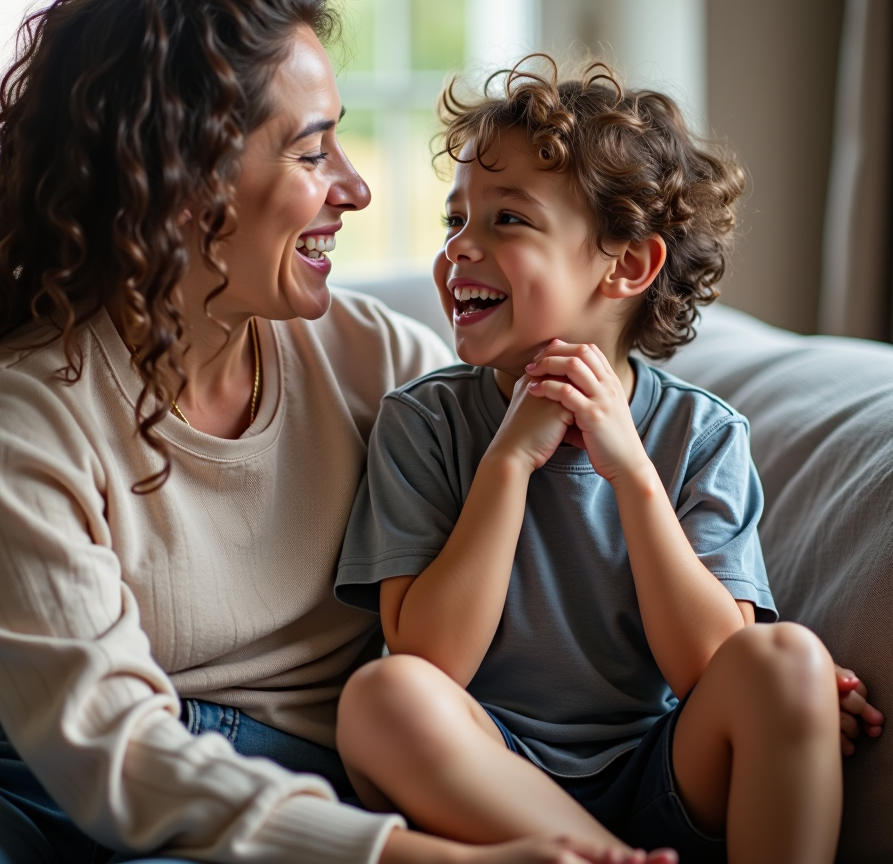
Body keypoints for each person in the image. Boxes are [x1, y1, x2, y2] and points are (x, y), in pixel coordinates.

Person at [0, 0, 616, 864]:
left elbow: (590, 489)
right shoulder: (14, 421)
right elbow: (106, 750)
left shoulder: (381, 364)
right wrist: (432, 860)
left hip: (284, 787)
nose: (355, 186)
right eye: (312, 152)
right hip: (1, 776)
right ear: (183, 184)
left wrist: (752, 667)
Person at [334, 60, 885, 864]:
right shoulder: (424, 422)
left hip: (662, 769)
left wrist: (631, 472)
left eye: (507, 221)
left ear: (625, 267)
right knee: (382, 695)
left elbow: (708, 665)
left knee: (789, 659)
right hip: (490, 778)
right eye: (456, 220)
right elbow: (431, 658)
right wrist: (509, 463)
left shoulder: (702, 436)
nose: (460, 250)